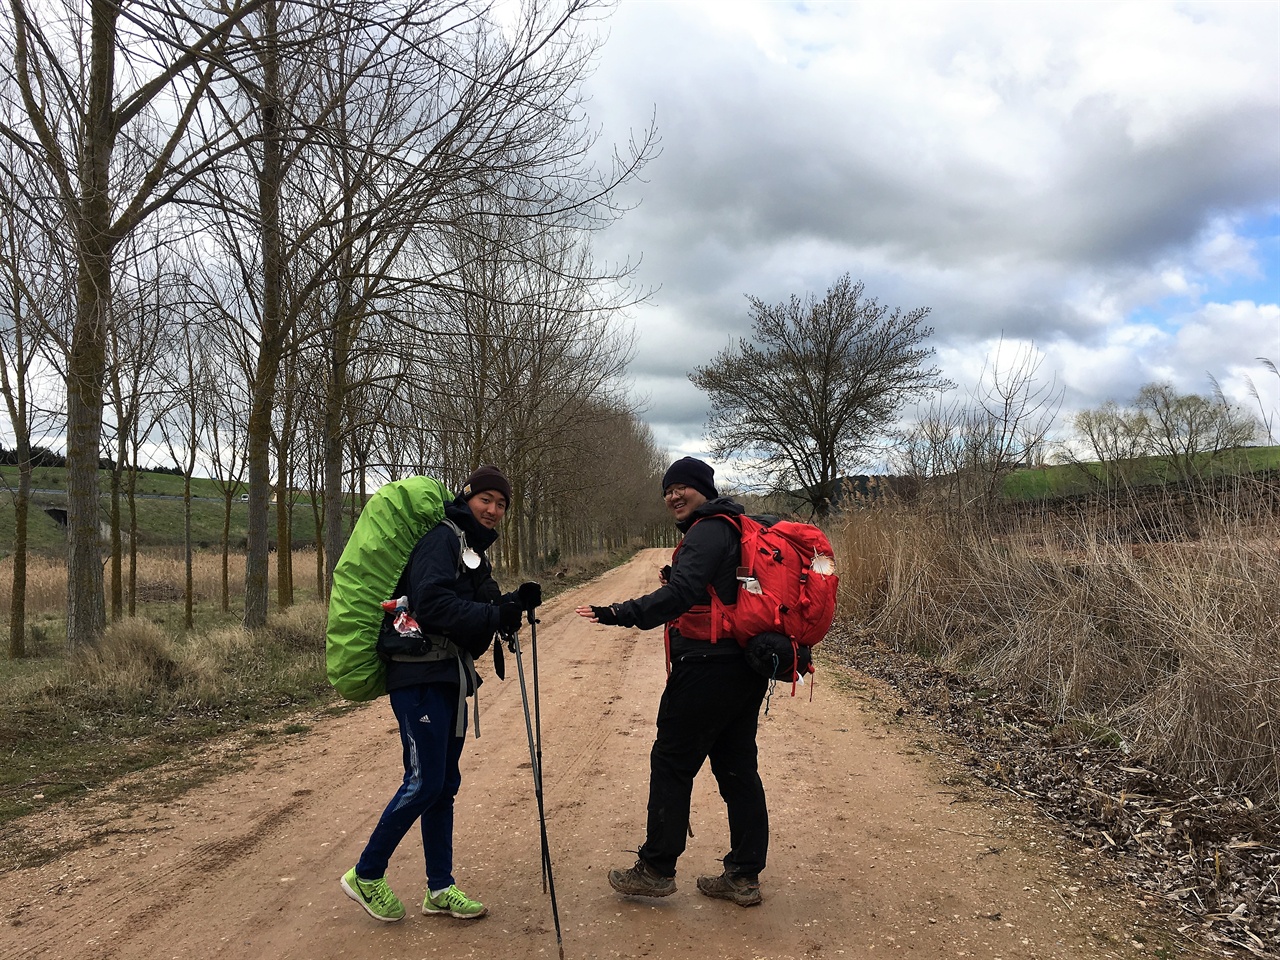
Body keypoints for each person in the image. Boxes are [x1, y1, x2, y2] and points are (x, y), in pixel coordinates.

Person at [341, 465, 541, 923]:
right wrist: (493, 615)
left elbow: (481, 604)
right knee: (424, 781)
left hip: (448, 675)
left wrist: (510, 605)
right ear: (466, 497)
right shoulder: (443, 539)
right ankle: (366, 874)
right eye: (485, 499)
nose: (493, 510)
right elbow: (430, 603)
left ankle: (439, 887)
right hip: (417, 676)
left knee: (443, 786)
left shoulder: (472, 550)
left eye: (502, 504)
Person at [575, 456, 769, 908]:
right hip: (742, 667)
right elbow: (704, 589)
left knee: (672, 763)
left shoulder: (707, 529)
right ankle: (744, 876)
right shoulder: (734, 529)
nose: (673, 496)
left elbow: (680, 595)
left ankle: (657, 869)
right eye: (667, 490)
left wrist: (620, 613)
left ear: (705, 489)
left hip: (706, 667)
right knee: (738, 769)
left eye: (683, 487)